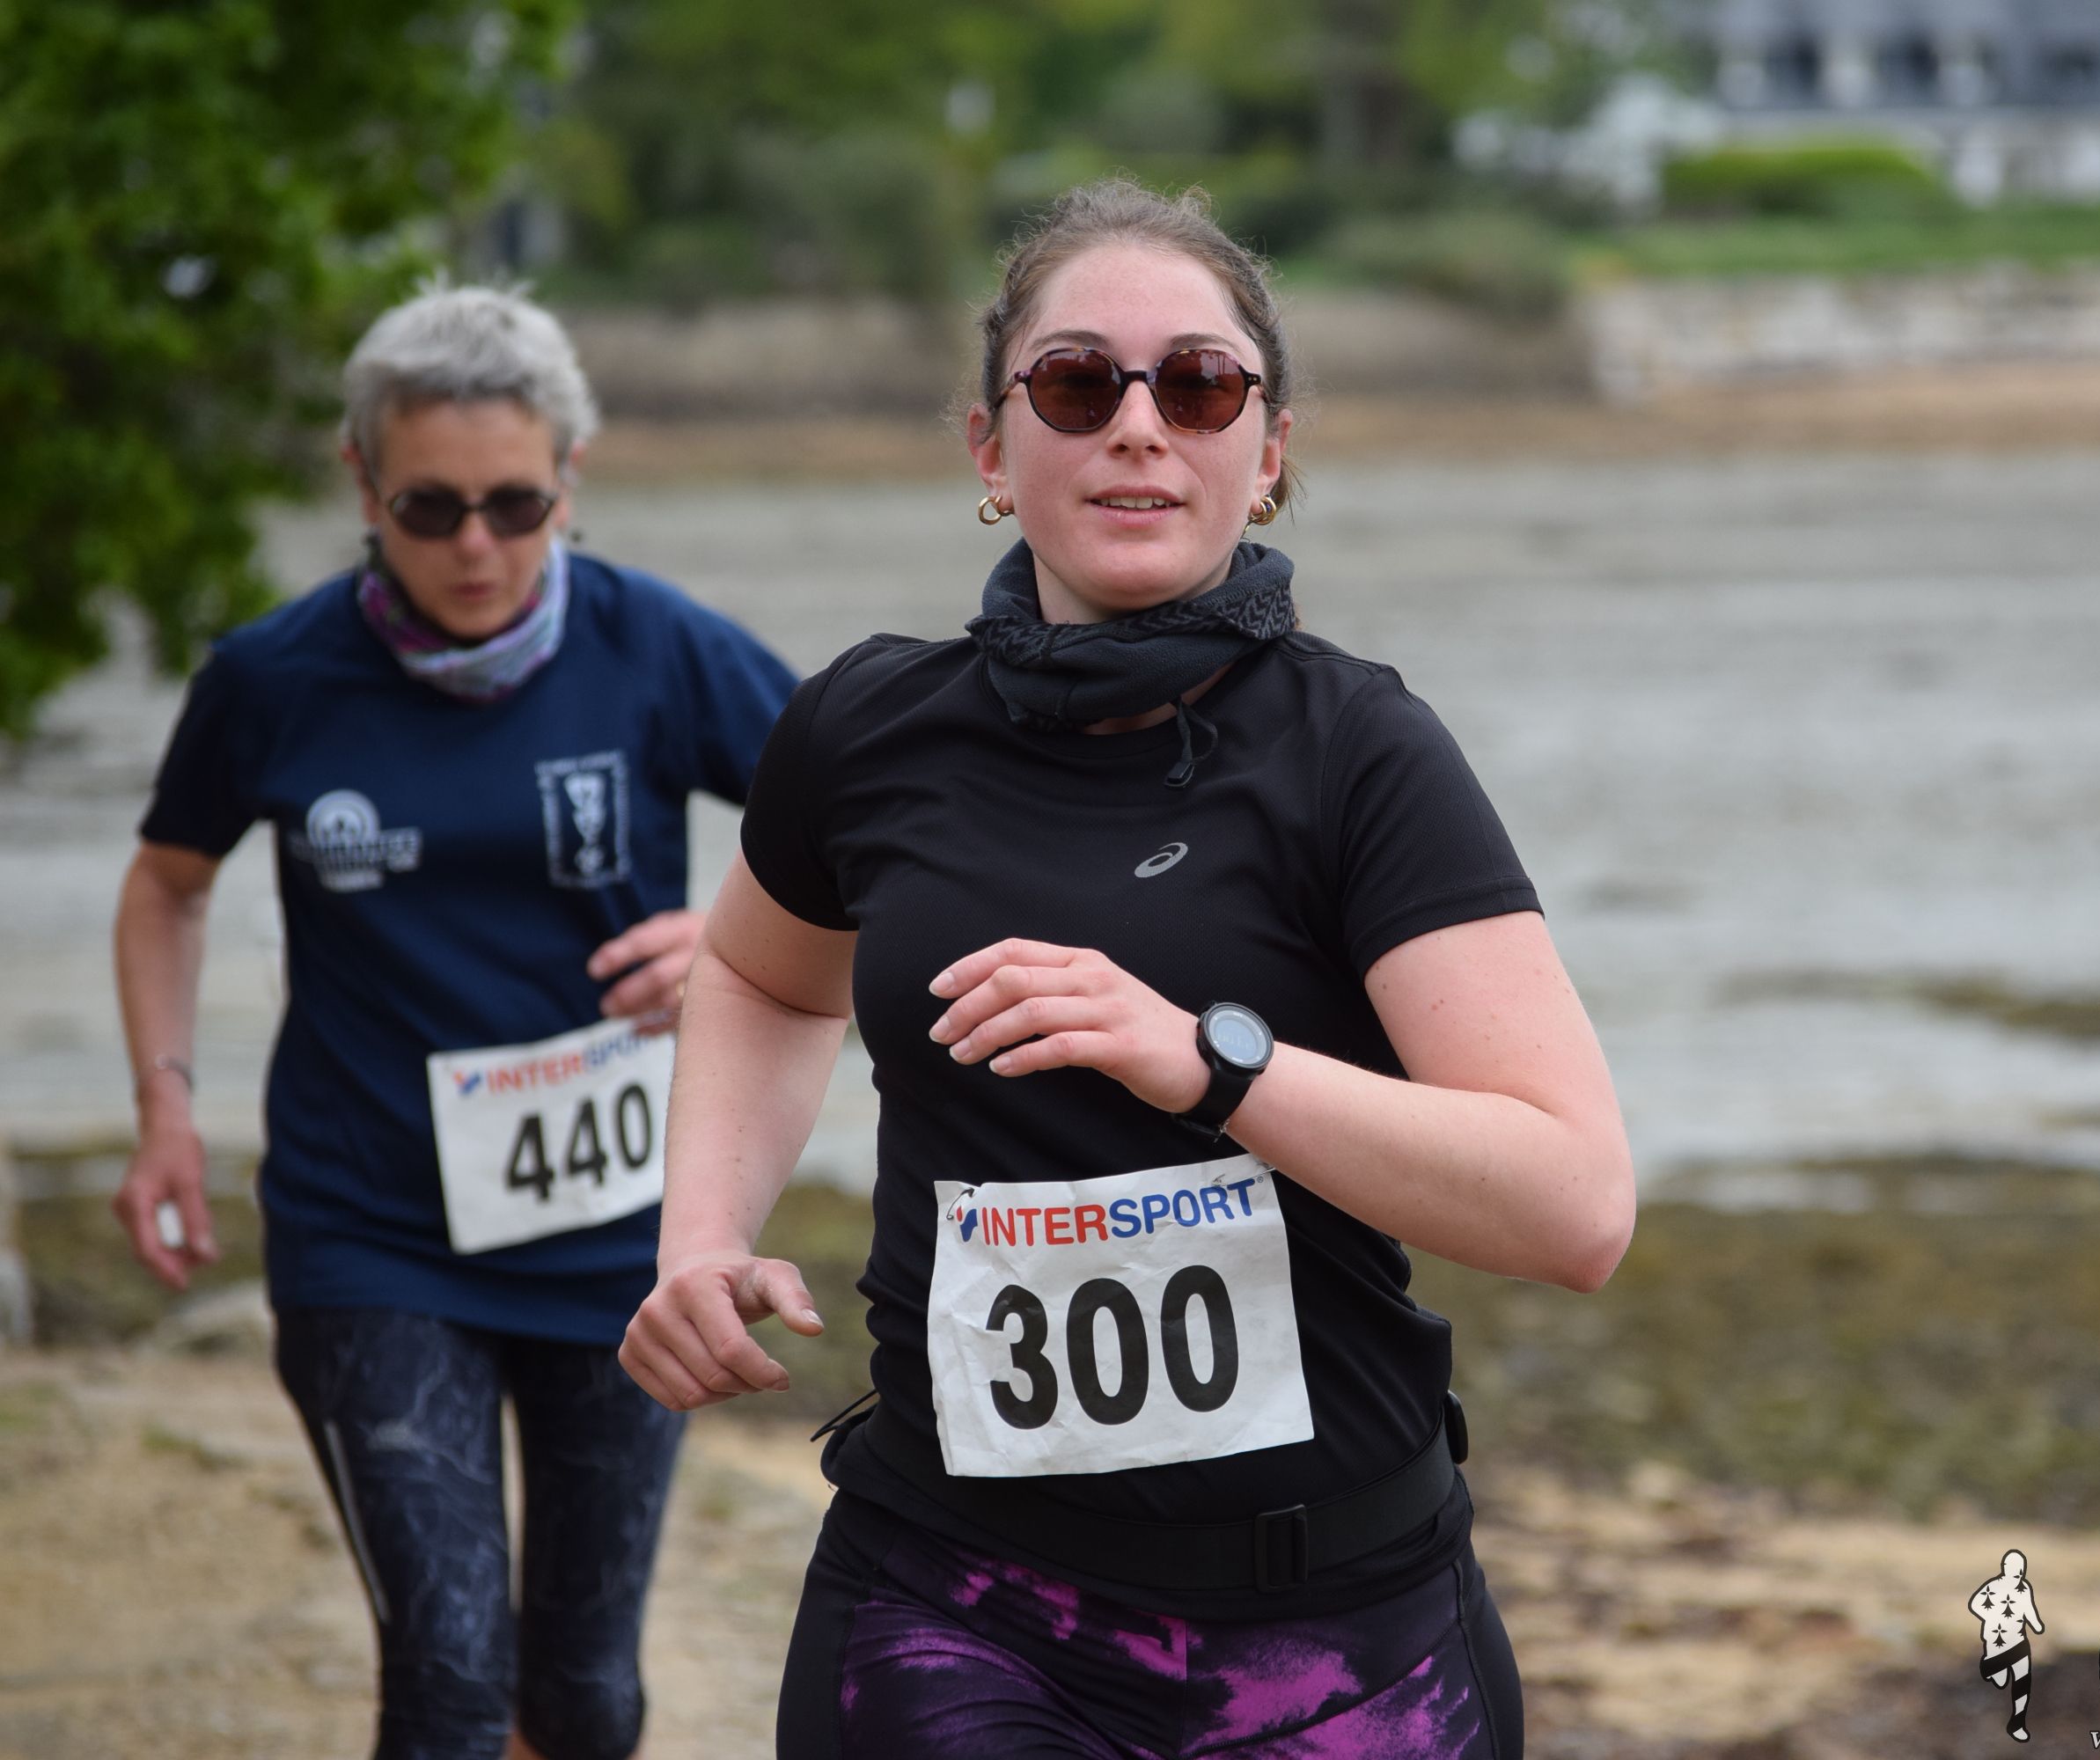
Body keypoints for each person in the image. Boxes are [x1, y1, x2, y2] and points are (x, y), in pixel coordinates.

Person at [618, 180, 1636, 1760]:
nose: (1142, 427)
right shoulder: (866, 728)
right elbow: (762, 979)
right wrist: (699, 1235)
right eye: (1081, 384)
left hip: (1333, 1634)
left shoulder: (1360, 753)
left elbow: (1574, 1206)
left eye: (1203, 385)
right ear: (991, 447)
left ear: (1269, 448)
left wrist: (1209, 1064)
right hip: (949, 1598)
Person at [110, 282, 799, 1760]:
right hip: (372, 1234)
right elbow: (165, 887)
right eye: (430, 508)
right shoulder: (272, 681)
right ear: (362, 484)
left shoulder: (659, 649)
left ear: (571, 480)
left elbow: (871, 830)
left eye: (515, 504)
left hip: (619, 1243)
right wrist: (165, 1108)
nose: (476, 547)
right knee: (446, 1677)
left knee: (588, 1702)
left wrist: (732, 941)